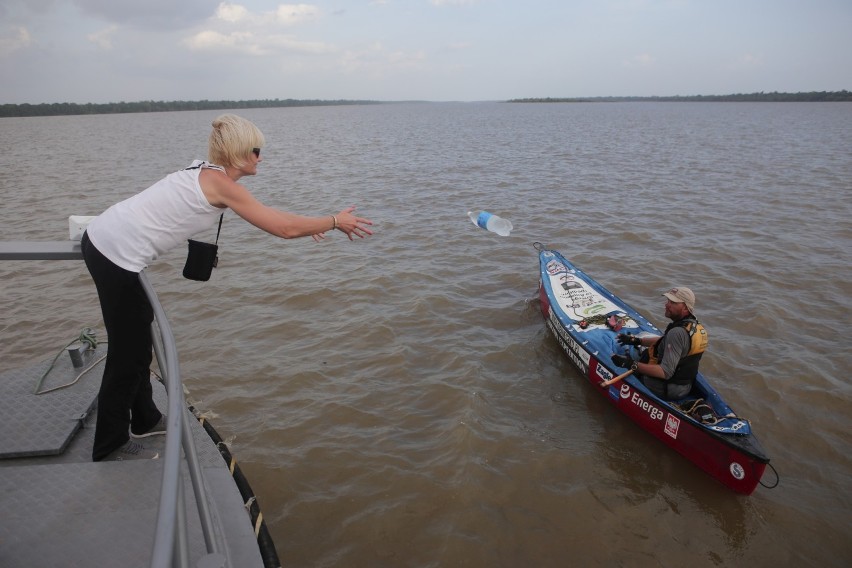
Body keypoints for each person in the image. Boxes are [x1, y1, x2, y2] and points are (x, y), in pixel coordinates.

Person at [81, 114, 373, 461]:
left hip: (106, 242)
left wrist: (313, 225)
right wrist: (335, 221)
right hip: (113, 255)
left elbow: (280, 219)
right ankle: (110, 444)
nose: (261, 157)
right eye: (256, 150)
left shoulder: (207, 172)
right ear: (238, 152)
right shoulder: (222, 186)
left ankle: (146, 418)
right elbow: (283, 228)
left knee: (140, 334)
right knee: (127, 354)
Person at [610, 287, 708, 400]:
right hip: (685, 386)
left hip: (665, 388)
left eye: (673, 303)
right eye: (668, 301)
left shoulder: (677, 333)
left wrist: (631, 364)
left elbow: (665, 372)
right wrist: (636, 340)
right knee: (642, 344)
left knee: (625, 356)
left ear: (685, 307)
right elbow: (666, 341)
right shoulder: (695, 327)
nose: (666, 305)